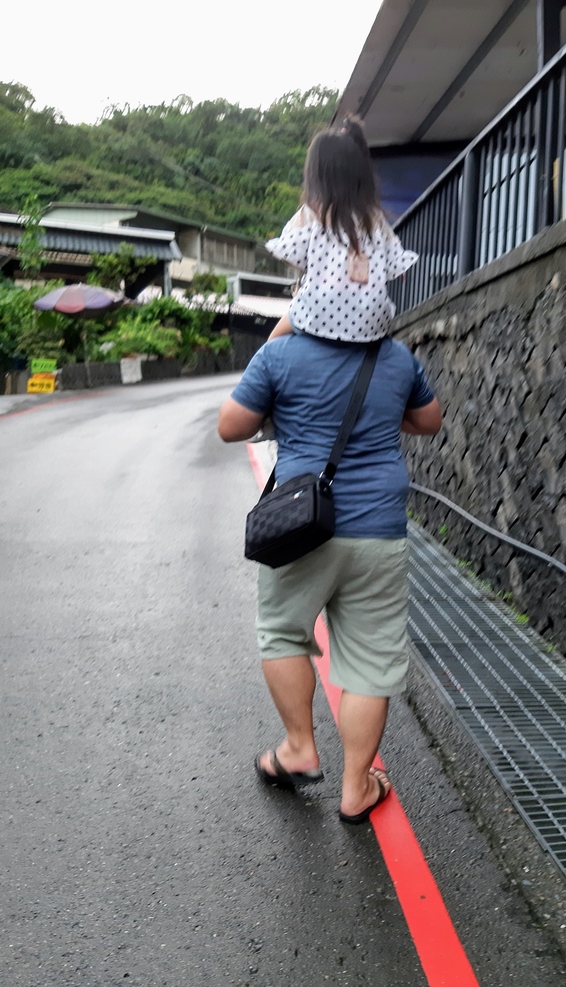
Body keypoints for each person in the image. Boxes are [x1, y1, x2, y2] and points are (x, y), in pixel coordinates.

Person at [218, 335, 441, 823]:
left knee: (282, 632)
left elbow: (230, 427)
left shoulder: (280, 353)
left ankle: (299, 748)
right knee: (370, 659)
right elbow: (429, 420)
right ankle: (357, 788)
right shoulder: (397, 357)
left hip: (302, 523)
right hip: (379, 528)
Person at [265, 115, 417, 344]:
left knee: (271, 345)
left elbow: (290, 256)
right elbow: (393, 263)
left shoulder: (311, 213)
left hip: (317, 313)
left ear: (316, 176)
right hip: (372, 318)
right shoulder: (374, 218)